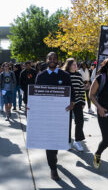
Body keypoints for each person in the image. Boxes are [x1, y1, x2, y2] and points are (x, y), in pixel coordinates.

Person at [35, 52, 74, 181]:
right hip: (46, 115)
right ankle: (53, 168)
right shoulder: (41, 76)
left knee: (57, 140)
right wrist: (32, 106)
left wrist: (72, 103)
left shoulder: (65, 75)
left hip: (61, 115)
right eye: (49, 58)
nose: (52, 60)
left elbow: (71, 92)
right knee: (49, 141)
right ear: (46, 60)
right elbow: (35, 95)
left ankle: (54, 158)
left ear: (58, 60)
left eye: (54, 58)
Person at [62, 58, 86, 151]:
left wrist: (83, 101)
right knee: (67, 123)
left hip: (78, 102)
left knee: (80, 121)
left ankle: (77, 141)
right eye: (73, 64)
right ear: (68, 65)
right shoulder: (65, 75)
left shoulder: (78, 75)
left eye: (76, 64)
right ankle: (67, 142)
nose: (76, 66)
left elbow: (81, 88)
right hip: (67, 102)